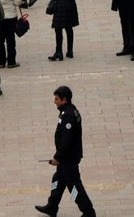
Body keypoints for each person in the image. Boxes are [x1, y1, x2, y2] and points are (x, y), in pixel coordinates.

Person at [34, 86, 97, 217]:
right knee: (58, 180)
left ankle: (88, 212)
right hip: (66, 157)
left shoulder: (68, 115)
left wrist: (58, 157)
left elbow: (67, 140)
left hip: (68, 158)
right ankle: (52, 206)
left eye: (56, 99)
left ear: (64, 100)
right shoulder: (68, 111)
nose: (54, 101)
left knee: (74, 186)